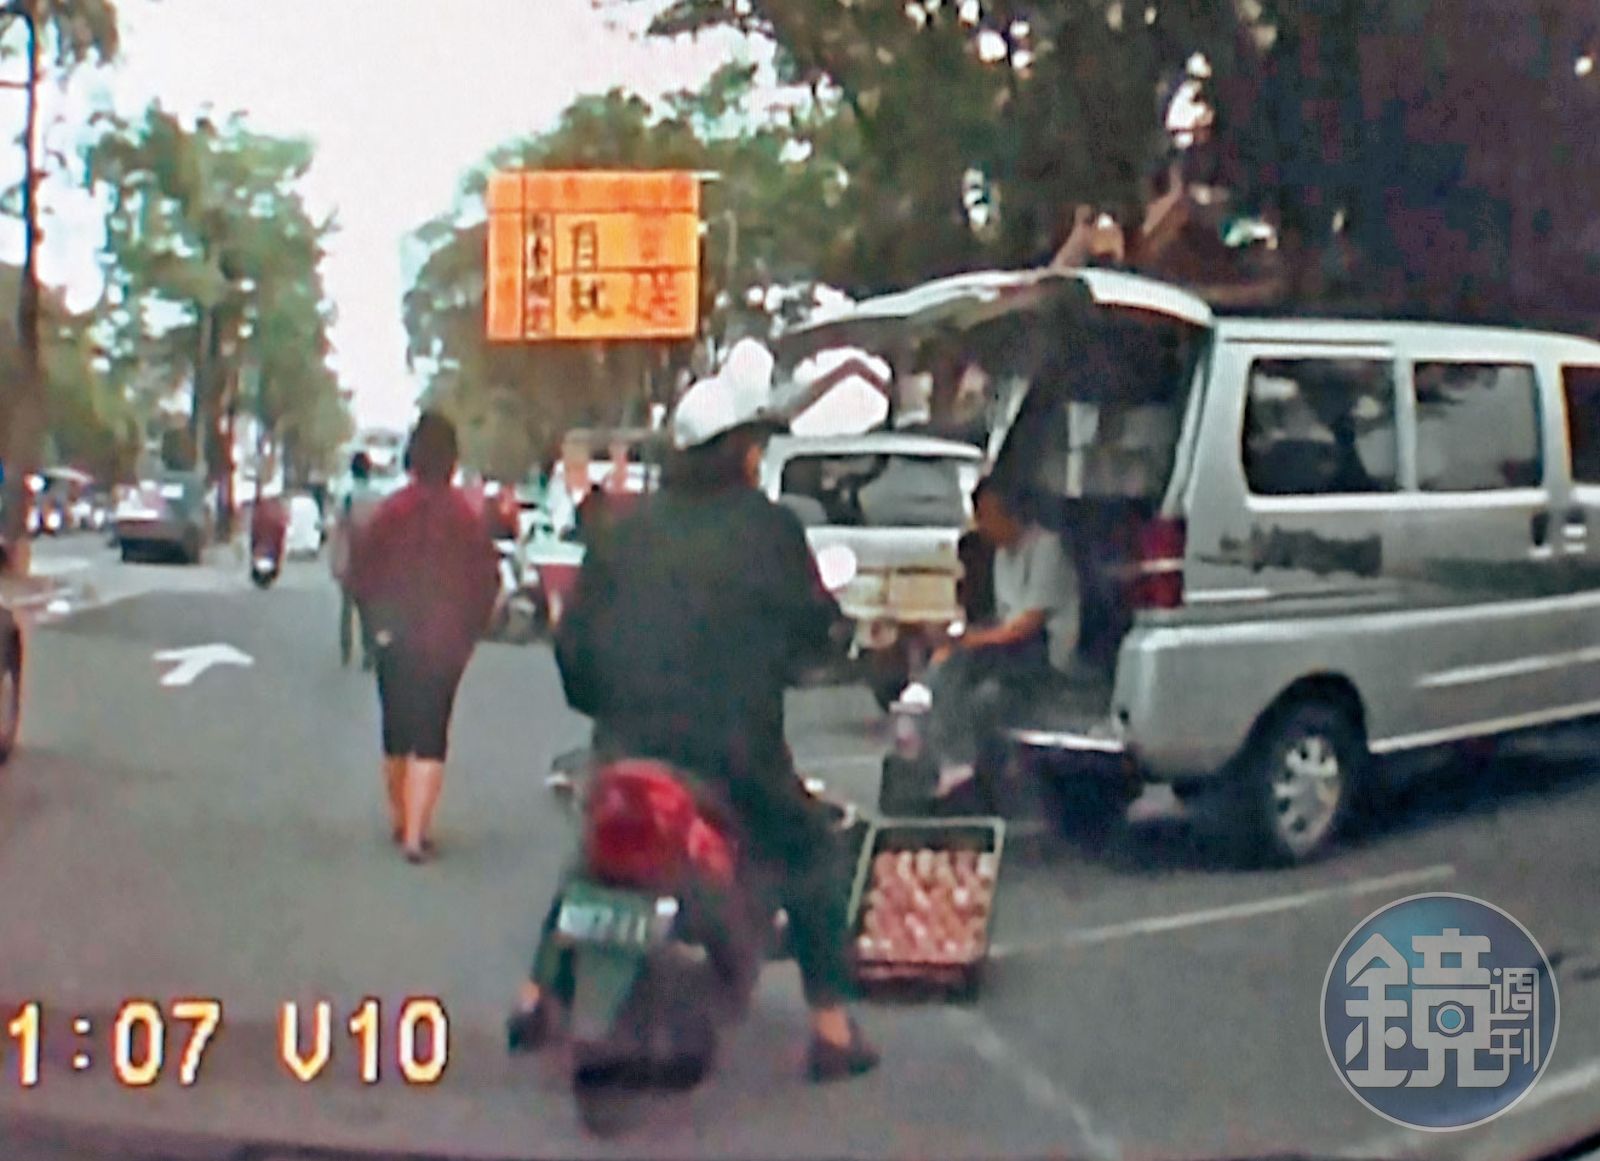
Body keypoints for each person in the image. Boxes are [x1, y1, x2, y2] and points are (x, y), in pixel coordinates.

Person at [506, 369, 881, 1084]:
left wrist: (606, 705)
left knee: (594, 850)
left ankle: (533, 997)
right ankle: (832, 1027)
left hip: (626, 748)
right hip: (736, 758)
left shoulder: (622, 529)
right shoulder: (770, 530)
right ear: (739, 450)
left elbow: (573, 646)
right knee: (811, 853)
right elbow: (815, 632)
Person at [348, 413, 499, 865]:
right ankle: (417, 833)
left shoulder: (392, 510)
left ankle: (401, 818)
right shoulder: (465, 516)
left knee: (396, 729)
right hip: (445, 641)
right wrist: (470, 629)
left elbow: (363, 571)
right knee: (432, 731)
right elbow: (486, 580)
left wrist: (374, 625)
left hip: (394, 634)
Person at [922, 477, 1083, 805]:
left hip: (1046, 655)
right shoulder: (1001, 556)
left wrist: (972, 641)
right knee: (948, 674)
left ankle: (964, 764)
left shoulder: (1047, 549)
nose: (981, 526)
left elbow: (1026, 625)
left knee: (984, 695)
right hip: (1010, 653)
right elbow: (1002, 620)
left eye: (987, 516)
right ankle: (954, 764)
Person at [332, 452, 385, 669]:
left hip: (351, 558)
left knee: (347, 607)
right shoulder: (378, 498)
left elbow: (339, 532)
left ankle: (346, 649)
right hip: (372, 559)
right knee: (368, 608)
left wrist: (336, 562)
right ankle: (369, 650)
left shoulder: (347, 498)